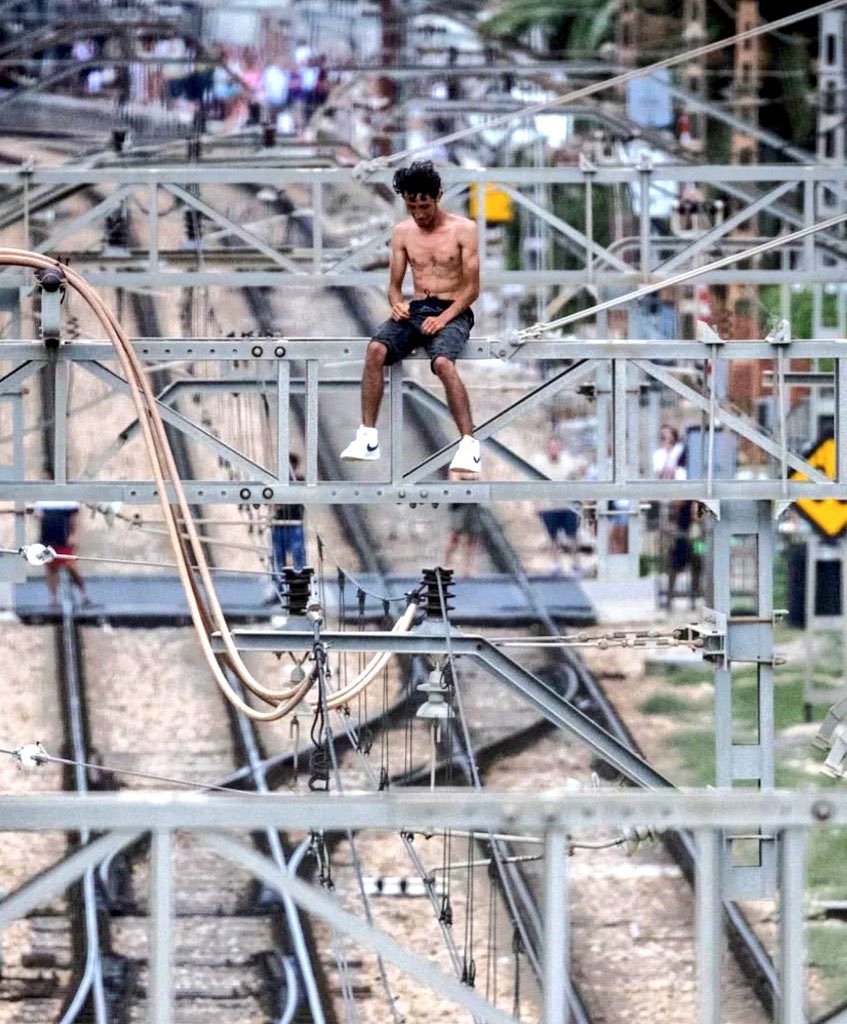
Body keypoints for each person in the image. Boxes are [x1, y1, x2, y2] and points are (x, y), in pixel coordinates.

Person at [340, 160, 482, 474]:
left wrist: (443, 319)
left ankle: (469, 445)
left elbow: (472, 289)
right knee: (376, 349)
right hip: (416, 308)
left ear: (438, 197)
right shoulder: (403, 233)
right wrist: (396, 304)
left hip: (453, 310)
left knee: (443, 363)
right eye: (412, 206)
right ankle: (367, 437)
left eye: (425, 206)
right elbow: (393, 287)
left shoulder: (464, 230)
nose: (419, 213)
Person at [34, 500, 91, 607]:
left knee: (72, 568)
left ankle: (84, 595)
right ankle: (54, 600)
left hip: (64, 541)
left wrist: (75, 535)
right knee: (51, 570)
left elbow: (75, 519)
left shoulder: (68, 501)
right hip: (47, 540)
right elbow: (38, 517)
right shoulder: (43, 500)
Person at [266, 455, 306, 604]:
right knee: (278, 560)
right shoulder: (276, 482)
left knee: (298, 557)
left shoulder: (299, 481)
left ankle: (299, 591)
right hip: (280, 525)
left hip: (295, 525)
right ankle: (280, 591)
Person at [444, 468, 482, 576]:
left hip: (472, 505)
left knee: (472, 538)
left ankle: (468, 567)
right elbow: (454, 483)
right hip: (459, 505)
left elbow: (482, 483)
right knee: (454, 536)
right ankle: (447, 564)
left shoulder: (476, 466)